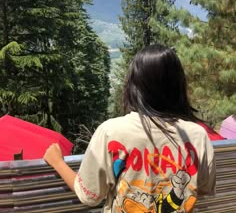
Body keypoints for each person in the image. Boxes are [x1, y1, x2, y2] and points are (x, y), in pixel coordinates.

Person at [44, 44, 216, 213]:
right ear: (178, 85)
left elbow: (89, 195)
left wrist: (57, 162)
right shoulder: (198, 135)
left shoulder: (111, 132)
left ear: (135, 86)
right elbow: (203, 187)